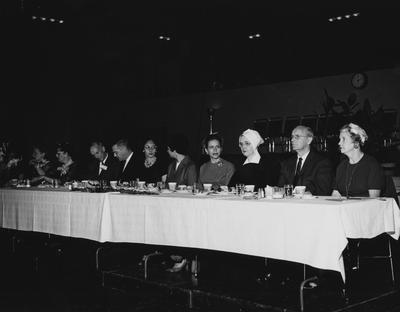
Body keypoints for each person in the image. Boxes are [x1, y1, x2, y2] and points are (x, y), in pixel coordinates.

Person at [332, 123, 384, 198]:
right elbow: (335, 196)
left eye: (343, 139)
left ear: (356, 143)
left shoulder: (371, 165)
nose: (339, 143)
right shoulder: (341, 166)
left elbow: (374, 200)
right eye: (340, 139)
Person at [278, 125, 333, 195]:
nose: (292, 140)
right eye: (292, 137)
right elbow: (281, 187)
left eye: (297, 137)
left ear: (309, 140)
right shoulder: (286, 163)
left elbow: (323, 190)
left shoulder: (322, 163)